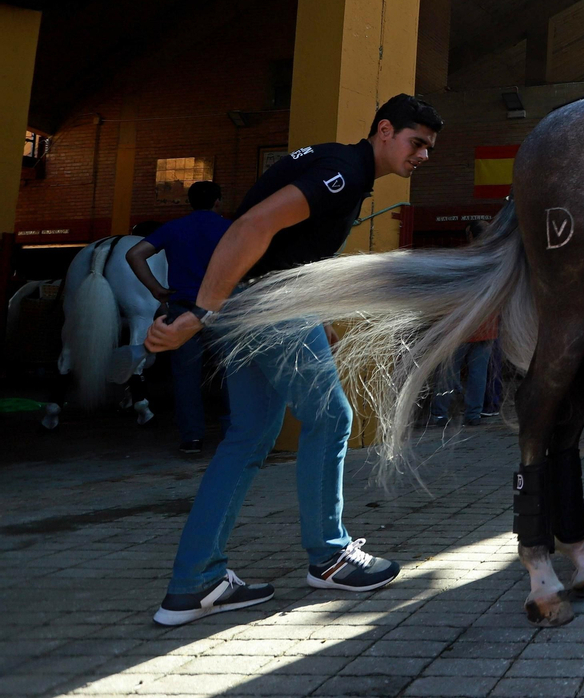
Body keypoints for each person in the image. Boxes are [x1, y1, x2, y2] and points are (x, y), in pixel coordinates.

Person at [144, 94, 442, 626]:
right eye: (416, 142)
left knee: (249, 435)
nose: (422, 155)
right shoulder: (343, 172)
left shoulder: (341, 167)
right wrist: (198, 313)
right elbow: (249, 228)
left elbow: (285, 243)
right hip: (264, 303)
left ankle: (194, 582)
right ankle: (329, 556)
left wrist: (311, 306)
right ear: (384, 130)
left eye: (429, 148)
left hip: (259, 304)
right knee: (332, 417)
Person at [127, 181, 232, 454]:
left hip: (181, 309)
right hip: (222, 310)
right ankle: (233, 434)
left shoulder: (174, 227)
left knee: (185, 377)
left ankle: (192, 439)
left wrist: (156, 290)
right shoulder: (230, 228)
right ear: (218, 202)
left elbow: (135, 254)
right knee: (231, 374)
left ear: (190, 202)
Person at [428, 222, 496, 427]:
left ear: (470, 235)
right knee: (478, 374)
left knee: (448, 371)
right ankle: (473, 414)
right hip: (487, 325)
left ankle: (439, 414)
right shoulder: (495, 260)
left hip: (459, 326)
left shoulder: (461, 259)